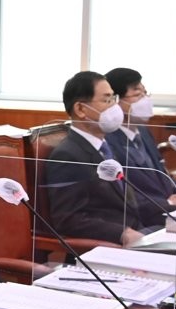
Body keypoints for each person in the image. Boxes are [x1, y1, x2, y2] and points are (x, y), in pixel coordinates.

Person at [46, 71, 149, 244]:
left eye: (113, 99)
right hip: (108, 246)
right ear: (80, 109)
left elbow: (129, 200)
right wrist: (122, 233)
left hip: (141, 231)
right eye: (106, 100)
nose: (114, 107)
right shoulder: (67, 156)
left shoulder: (106, 147)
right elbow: (68, 219)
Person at [104, 66, 176, 226]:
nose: (145, 100)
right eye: (137, 94)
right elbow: (125, 194)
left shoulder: (142, 131)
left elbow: (162, 172)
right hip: (145, 220)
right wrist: (168, 204)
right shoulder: (108, 140)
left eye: (145, 93)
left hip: (170, 211)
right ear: (116, 101)